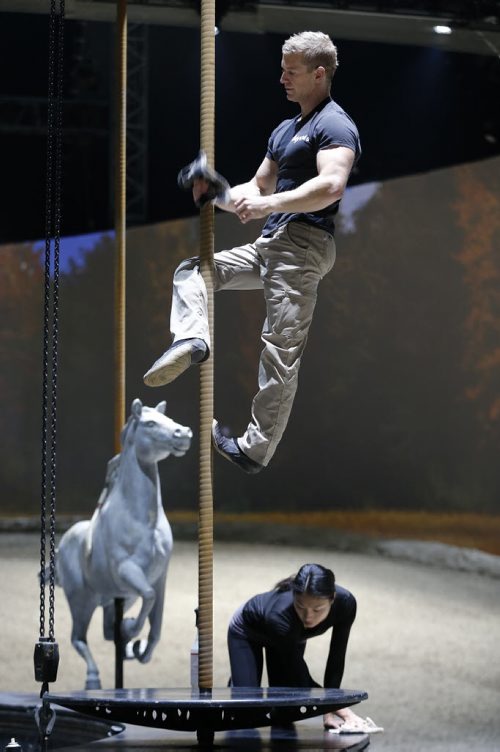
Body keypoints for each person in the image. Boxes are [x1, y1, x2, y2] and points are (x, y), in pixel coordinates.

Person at [144, 31, 361, 474]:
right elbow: (255, 188)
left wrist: (269, 204)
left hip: (303, 245)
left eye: (291, 71)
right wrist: (215, 191)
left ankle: (254, 448)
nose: (282, 77)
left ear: (319, 74)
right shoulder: (285, 130)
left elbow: (331, 186)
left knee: (280, 348)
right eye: (282, 68)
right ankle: (191, 337)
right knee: (195, 271)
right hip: (271, 243)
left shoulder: (335, 125)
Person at [227, 562, 364, 731]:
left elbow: (336, 657)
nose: (308, 617)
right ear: (293, 596)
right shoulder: (280, 616)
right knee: (245, 711)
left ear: (332, 598)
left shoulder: (346, 604)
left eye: (318, 609)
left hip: (289, 637)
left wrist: (328, 713)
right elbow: (301, 677)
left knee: (287, 710)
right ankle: (237, 685)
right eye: (300, 607)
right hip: (248, 630)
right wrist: (342, 710)